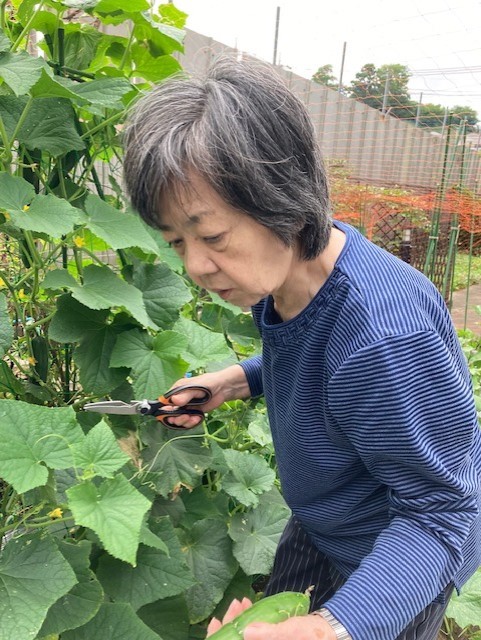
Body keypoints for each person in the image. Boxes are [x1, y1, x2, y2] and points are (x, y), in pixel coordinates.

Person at [122, 56, 481, 640]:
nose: (196, 266)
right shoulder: (291, 277)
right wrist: (235, 380)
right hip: (324, 516)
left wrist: (327, 628)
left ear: (280, 197)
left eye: (212, 235)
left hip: (396, 560)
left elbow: (439, 512)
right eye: (176, 242)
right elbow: (317, 358)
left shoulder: (385, 338)